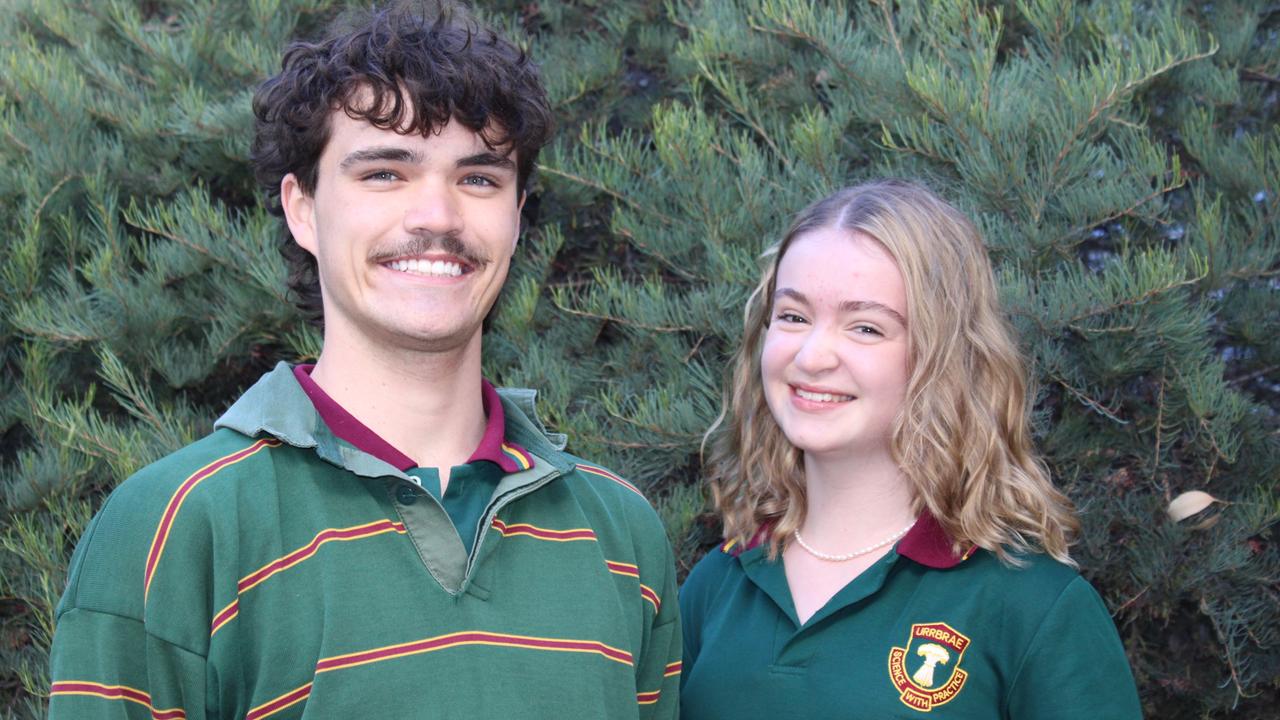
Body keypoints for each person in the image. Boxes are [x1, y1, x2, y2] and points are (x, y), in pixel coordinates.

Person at [47, 3, 680, 718]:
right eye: (385, 173)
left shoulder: (621, 534)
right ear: (303, 209)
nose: (437, 216)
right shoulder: (176, 527)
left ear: (517, 215)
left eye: (478, 179)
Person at [679, 180, 1142, 718]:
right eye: (793, 316)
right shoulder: (718, 585)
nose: (811, 355)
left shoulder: (1031, 605)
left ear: (943, 357)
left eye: (866, 327)